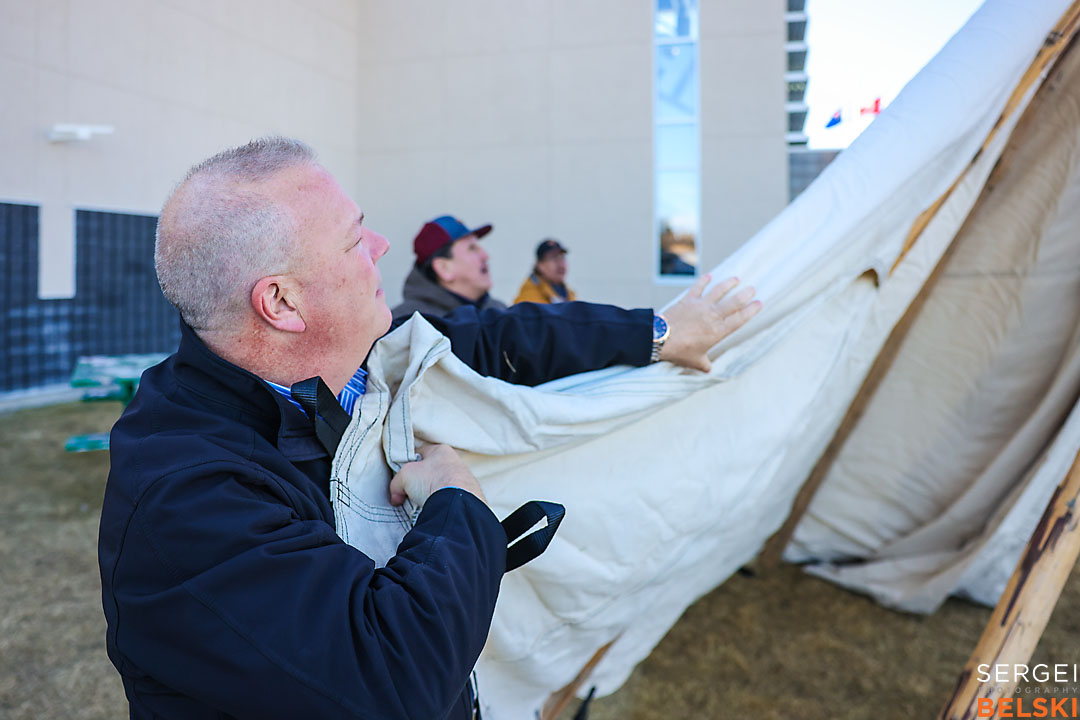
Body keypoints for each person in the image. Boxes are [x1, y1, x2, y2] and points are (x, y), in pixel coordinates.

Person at [98, 137, 761, 719]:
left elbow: (499, 337)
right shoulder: (184, 495)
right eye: (356, 240)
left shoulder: (350, 362)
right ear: (282, 302)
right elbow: (394, 678)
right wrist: (456, 500)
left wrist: (660, 333)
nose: (381, 246)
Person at [390, 215, 506, 322]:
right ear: (444, 268)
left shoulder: (500, 311)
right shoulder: (410, 323)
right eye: (472, 248)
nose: (485, 256)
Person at [513, 238, 577, 304]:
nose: (561, 264)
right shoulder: (529, 298)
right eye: (554, 259)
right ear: (540, 265)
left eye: (562, 258)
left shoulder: (569, 294)